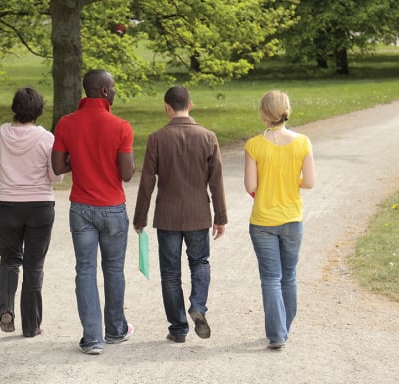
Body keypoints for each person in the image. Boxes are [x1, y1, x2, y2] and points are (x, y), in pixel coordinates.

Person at [133, 85, 227, 344]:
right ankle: (198, 305)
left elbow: (147, 182)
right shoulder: (209, 137)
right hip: (199, 215)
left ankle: (178, 328)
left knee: (171, 273)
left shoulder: (157, 139)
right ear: (191, 105)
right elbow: (216, 182)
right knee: (200, 262)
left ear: (167, 107)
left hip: (167, 216)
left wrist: (140, 218)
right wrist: (220, 217)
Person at [51, 69, 135, 355]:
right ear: (102, 91)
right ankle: (115, 330)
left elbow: (59, 167)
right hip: (112, 207)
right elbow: (127, 174)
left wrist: (83, 159)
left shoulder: (66, 123)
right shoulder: (121, 126)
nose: (114, 91)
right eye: (112, 87)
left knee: (84, 271)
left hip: (82, 209)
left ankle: (92, 338)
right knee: (113, 270)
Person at [243, 90, 315, 350]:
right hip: (292, 219)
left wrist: (267, 183)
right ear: (287, 110)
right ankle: (284, 327)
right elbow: (309, 182)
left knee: (271, 278)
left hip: (263, 220)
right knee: (289, 277)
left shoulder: (254, 146)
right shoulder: (303, 142)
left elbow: (250, 185)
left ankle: (276, 334)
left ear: (263, 114)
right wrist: (290, 180)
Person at [0, 86, 63, 338]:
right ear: (39, 110)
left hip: (8, 204)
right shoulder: (46, 138)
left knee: (9, 260)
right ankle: (31, 326)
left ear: (14, 108)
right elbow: (56, 176)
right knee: (34, 266)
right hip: (40, 206)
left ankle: (6, 309)